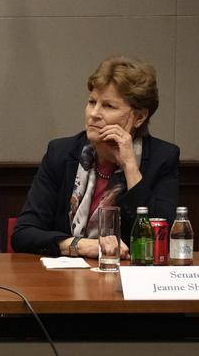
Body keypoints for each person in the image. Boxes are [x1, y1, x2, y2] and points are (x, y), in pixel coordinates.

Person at [11, 56, 179, 258]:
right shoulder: (61, 153)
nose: (94, 114)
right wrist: (80, 245)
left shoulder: (163, 158)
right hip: (64, 279)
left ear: (140, 117)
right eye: (92, 102)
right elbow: (24, 233)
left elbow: (161, 238)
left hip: (127, 278)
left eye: (109, 106)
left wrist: (130, 167)